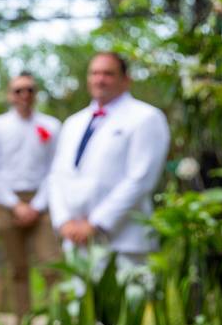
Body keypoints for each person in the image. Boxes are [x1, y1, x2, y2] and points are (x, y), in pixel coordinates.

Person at [48, 51, 170, 266]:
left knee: (127, 299)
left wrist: (95, 224)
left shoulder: (146, 118)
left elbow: (140, 180)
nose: (99, 79)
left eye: (108, 74)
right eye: (94, 73)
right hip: (76, 243)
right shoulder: (73, 123)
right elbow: (57, 175)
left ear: (126, 80)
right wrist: (63, 221)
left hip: (124, 243)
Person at [0, 72, 61, 316]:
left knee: (52, 265)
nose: (24, 95)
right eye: (18, 91)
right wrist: (15, 205)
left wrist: (36, 205)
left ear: (36, 94)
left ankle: (58, 323)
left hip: (42, 203)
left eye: (29, 90)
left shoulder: (51, 125)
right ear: (9, 95)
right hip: (7, 204)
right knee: (17, 270)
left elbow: (56, 169)